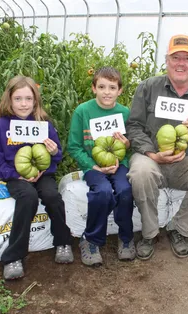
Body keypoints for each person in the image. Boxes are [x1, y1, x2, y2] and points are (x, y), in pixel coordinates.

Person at [126, 34, 188, 260]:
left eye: (186, 59)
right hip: (151, 157)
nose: (181, 63)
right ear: (167, 61)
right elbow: (134, 126)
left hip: (185, 162)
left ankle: (179, 229)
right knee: (140, 172)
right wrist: (152, 153)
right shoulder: (148, 87)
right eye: (175, 58)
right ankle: (149, 233)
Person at [0, 76, 74, 280]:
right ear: (9, 100)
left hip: (43, 172)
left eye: (28, 98)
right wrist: (16, 175)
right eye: (18, 99)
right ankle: (13, 257)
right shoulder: (0, 126)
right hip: (15, 175)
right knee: (28, 197)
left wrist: (53, 153)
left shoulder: (43, 123)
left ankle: (63, 242)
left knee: (52, 195)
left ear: (36, 101)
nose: (24, 104)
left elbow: (58, 154)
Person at [67, 67, 135, 267]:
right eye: (102, 87)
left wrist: (126, 147)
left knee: (125, 190)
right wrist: (92, 166)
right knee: (103, 191)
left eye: (112, 87)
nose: (107, 92)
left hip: (118, 163)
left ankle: (126, 237)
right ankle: (91, 240)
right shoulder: (82, 111)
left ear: (120, 90)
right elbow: (74, 146)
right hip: (93, 165)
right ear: (93, 88)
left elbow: (131, 144)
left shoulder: (124, 113)